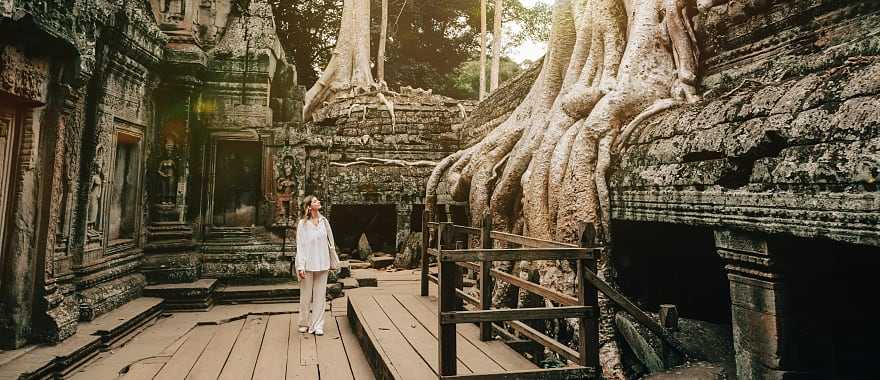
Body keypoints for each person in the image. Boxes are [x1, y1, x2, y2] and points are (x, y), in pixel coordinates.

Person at [295, 195, 338, 335]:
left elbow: (331, 242)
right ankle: (303, 323)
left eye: (317, 200)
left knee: (320, 295)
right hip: (307, 264)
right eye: (315, 201)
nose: (318, 202)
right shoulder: (302, 224)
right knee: (306, 295)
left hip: (322, 263)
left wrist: (333, 261)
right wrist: (300, 266)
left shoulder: (324, 221)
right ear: (309, 206)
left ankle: (318, 325)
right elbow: (300, 246)